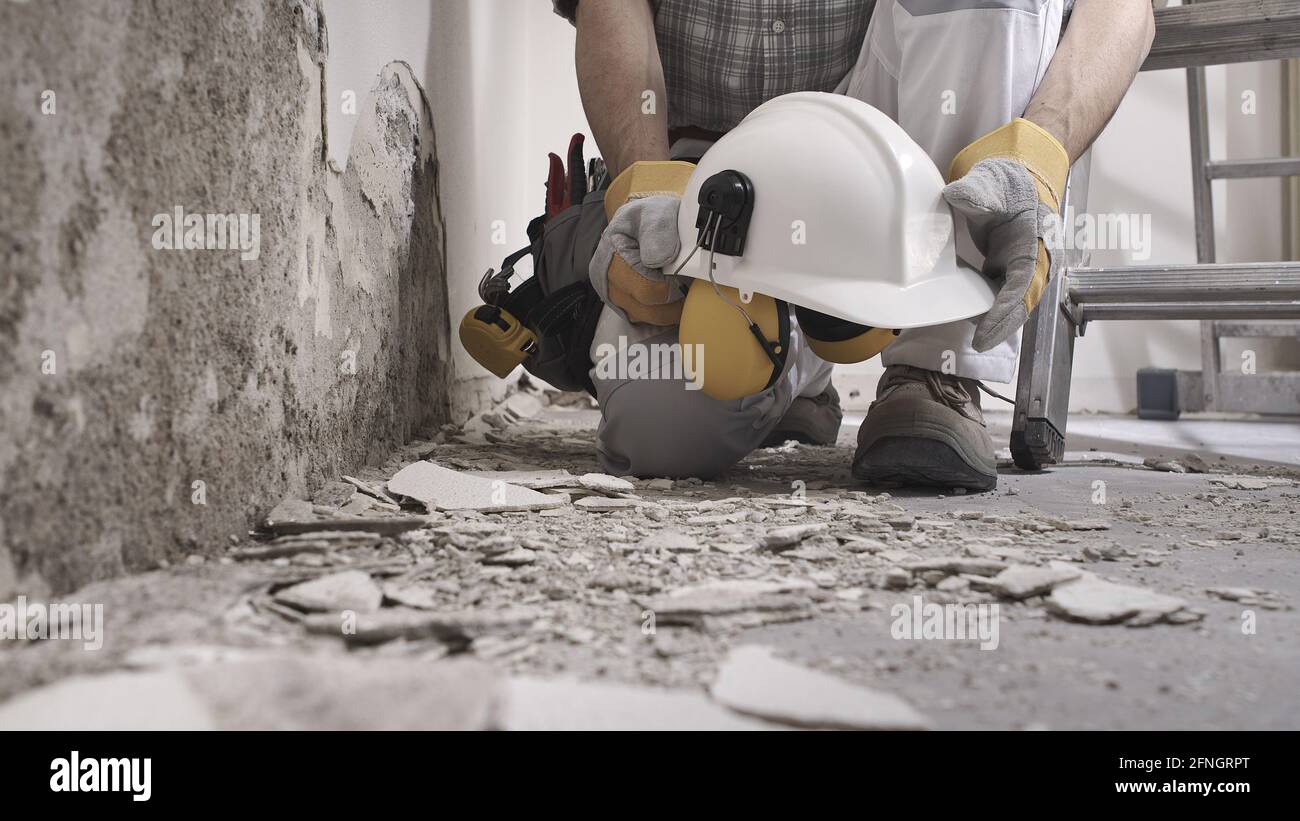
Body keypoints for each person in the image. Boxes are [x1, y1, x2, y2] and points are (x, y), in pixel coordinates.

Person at [556, 0, 1154, 489]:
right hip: (704, 193)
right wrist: (644, 181)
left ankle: (934, 369)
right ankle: (795, 361)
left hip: (872, 164)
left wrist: (1038, 155)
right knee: (660, 432)